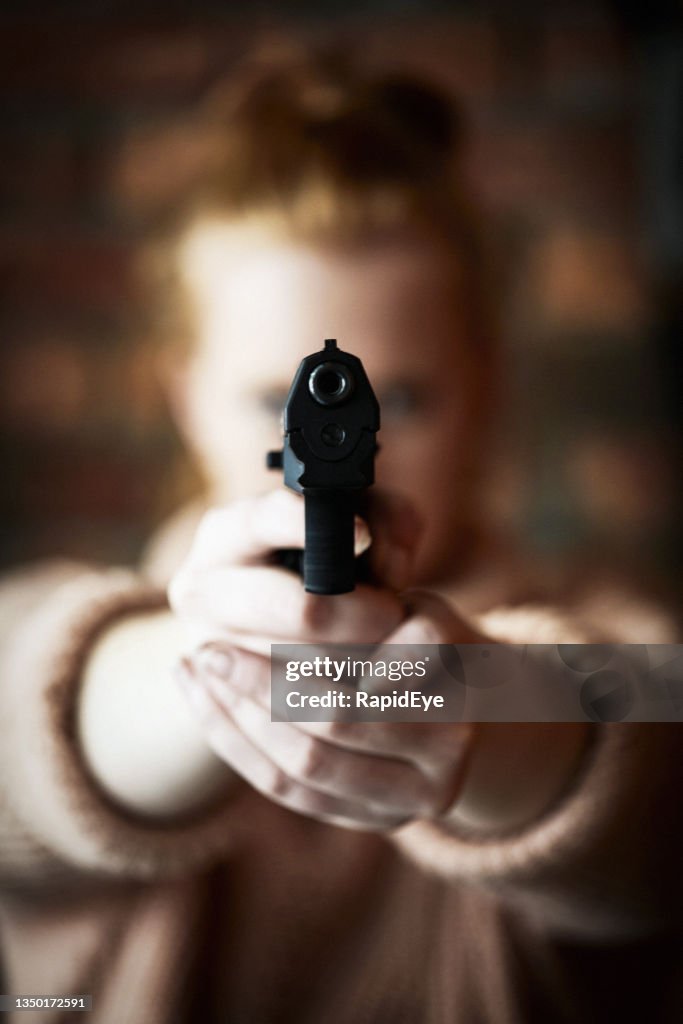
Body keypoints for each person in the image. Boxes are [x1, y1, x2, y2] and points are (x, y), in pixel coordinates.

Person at [0, 41, 681, 1024]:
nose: (350, 452)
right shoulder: (70, 637)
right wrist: (204, 667)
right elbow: (22, 708)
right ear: (181, 394)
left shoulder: (619, 636)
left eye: (400, 395)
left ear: (485, 387)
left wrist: (479, 718)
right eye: (275, 394)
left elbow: (649, 775)